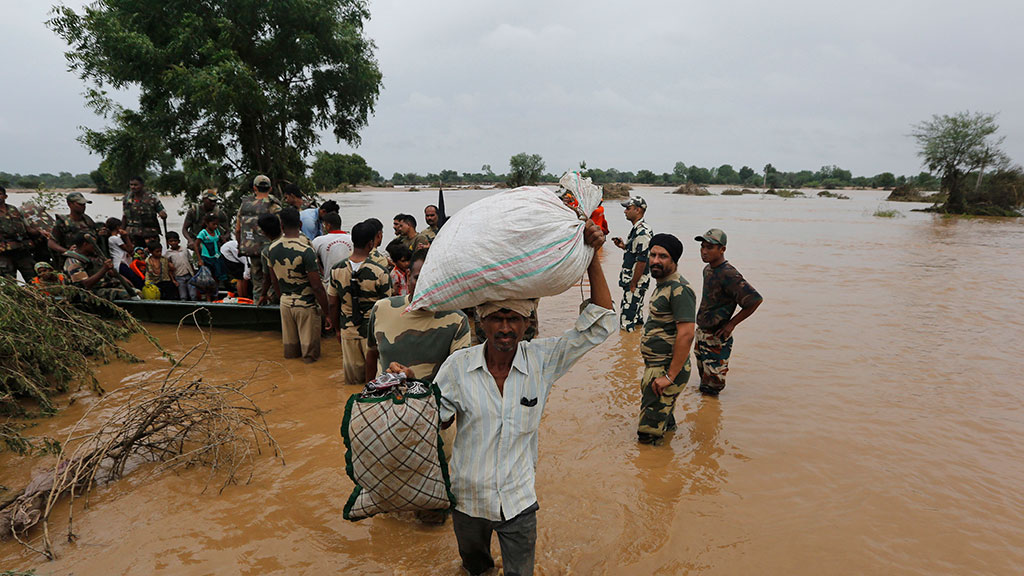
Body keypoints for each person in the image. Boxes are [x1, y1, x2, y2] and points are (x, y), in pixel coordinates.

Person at [434, 218, 613, 576]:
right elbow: (432, 417)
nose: (505, 328)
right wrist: (406, 387)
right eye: (497, 318)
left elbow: (600, 324)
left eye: (514, 318)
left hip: (518, 502)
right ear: (481, 322)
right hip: (468, 500)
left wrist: (592, 255)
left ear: (527, 322)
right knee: (476, 570)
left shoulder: (542, 361)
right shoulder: (457, 366)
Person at [368, 248, 471, 524]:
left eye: (432, 277)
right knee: (388, 512)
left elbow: (461, 380)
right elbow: (371, 356)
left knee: (431, 517)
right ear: (407, 277)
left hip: (435, 426)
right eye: (417, 277)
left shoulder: (456, 321)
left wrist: (415, 381)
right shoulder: (382, 309)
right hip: (386, 422)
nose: (423, 283)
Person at [637, 233, 696, 445]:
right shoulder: (663, 285)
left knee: (647, 436)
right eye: (652, 254)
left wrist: (669, 377)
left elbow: (687, 334)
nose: (655, 260)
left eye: (663, 256)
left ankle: (650, 473)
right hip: (657, 368)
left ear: (674, 260)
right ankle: (668, 470)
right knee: (665, 425)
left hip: (665, 370)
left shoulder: (679, 289)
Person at [693, 228, 763, 396]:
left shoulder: (728, 274)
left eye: (709, 247)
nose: (704, 251)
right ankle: (704, 417)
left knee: (713, 388)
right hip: (702, 334)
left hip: (717, 338)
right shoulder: (708, 270)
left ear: (722, 249)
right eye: (702, 246)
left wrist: (731, 324)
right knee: (704, 384)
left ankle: (712, 420)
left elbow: (755, 300)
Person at [328, 221, 392, 386]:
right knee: (374, 383)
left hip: (347, 332)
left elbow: (333, 304)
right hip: (373, 334)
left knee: (352, 384)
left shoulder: (336, 270)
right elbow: (386, 308)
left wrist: (337, 329)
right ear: (371, 243)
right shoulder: (380, 272)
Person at [266, 207, 332, 363]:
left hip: (285, 304)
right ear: (301, 225)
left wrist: (283, 298)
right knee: (310, 356)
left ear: (281, 226)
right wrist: (327, 313)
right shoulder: (306, 250)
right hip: (306, 305)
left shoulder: (272, 249)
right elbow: (317, 286)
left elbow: (273, 280)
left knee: (290, 353)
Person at [236, 174, 282, 301]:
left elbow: (238, 229)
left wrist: (241, 246)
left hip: (252, 250)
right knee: (272, 280)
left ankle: (257, 307)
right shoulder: (274, 206)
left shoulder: (244, 206)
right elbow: (281, 230)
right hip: (270, 250)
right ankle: (272, 308)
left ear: (255, 188)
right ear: (270, 188)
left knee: (257, 281)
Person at [611, 196, 652, 332]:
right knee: (637, 320)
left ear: (638, 210)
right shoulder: (638, 229)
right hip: (636, 283)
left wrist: (633, 283)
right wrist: (624, 246)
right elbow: (637, 253)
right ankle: (634, 348)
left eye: (628, 208)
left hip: (635, 284)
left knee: (626, 323)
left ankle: (627, 349)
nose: (625, 211)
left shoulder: (642, 232)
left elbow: (642, 260)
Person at [63, 232, 133, 301]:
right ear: (85, 244)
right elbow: (85, 285)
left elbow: (106, 272)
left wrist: (121, 278)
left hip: (100, 288)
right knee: (125, 294)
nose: (95, 247)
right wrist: (104, 269)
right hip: (84, 294)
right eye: (93, 244)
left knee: (135, 292)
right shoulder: (73, 262)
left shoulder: (92, 257)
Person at [49, 192, 105, 266]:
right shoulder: (62, 223)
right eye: (80, 204)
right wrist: (68, 252)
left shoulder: (87, 220)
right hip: (73, 262)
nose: (83, 207)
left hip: (91, 260)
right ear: (70, 204)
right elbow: (51, 243)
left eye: (84, 204)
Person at [0, 186, 43, 281]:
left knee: (34, 279)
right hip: (3, 254)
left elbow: (27, 227)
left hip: (22, 249)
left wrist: (39, 232)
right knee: (9, 283)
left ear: (5, 196)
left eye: (0, 194)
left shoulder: (14, 209)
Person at [121, 176, 167, 247]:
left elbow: (161, 210)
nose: (133, 187)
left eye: (136, 185)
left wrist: (162, 214)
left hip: (149, 233)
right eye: (131, 185)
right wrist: (121, 231)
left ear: (142, 185)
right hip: (132, 233)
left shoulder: (152, 197)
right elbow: (125, 216)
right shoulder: (126, 198)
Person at [311, 211, 352, 287]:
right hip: (350, 283)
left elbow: (312, 259)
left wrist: (321, 271)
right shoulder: (352, 239)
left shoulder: (318, 241)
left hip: (329, 284)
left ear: (328, 226)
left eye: (324, 225)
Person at [195, 214, 225, 285]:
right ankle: (208, 295)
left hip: (217, 257)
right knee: (208, 277)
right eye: (213, 224)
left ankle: (216, 293)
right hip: (207, 258)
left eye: (217, 224)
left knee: (217, 276)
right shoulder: (203, 233)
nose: (215, 226)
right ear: (207, 223)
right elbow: (196, 245)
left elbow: (220, 240)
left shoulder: (216, 231)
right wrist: (199, 259)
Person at [164, 232, 196, 300]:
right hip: (179, 277)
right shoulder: (168, 254)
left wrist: (194, 274)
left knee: (193, 295)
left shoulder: (184, 249)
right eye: (171, 241)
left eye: (175, 241)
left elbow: (190, 261)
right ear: (168, 242)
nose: (173, 243)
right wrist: (173, 280)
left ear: (178, 241)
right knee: (183, 296)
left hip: (189, 275)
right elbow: (169, 269)